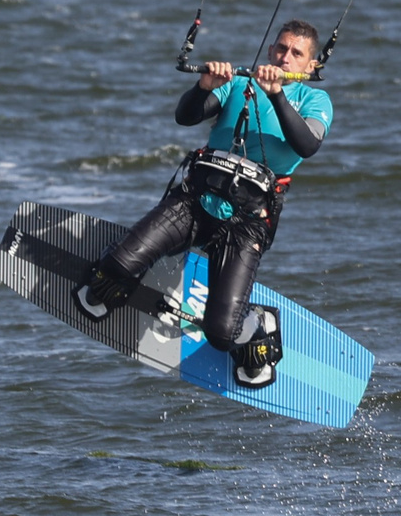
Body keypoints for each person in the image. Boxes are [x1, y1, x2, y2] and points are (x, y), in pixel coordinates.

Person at [76, 20, 333, 389]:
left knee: (220, 334)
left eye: (296, 53)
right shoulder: (240, 84)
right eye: (279, 48)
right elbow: (186, 116)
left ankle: (259, 328)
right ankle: (116, 283)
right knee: (116, 263)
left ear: (311, 66)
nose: (284, 57)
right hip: (195, 202)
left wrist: (276, 94)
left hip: (247, 223)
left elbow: (306, 145)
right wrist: (204, 87)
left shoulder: (315, 100)